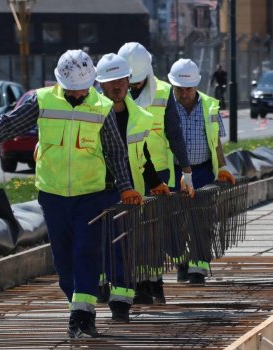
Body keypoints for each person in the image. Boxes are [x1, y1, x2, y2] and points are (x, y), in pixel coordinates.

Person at [0, 49, 143, 338]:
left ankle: (83, 315)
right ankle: (76, 305)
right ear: (61, 83)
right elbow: (7, 124)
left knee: (85, 252)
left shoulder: (102, 107)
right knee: (64, 260)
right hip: (52, 195)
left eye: (82, 89)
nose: (78, 94)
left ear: (90, 83)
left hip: (92, 194)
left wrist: (126, 187)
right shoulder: (41, 100)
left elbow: (115, 152)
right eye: (72, 89)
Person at [95, 53, 171, 322]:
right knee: (102, 245)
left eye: (121, 80)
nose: (117, 86)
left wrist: (156, 183)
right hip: (97, 190)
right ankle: (102, 288)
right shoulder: (90, 113)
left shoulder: (139, 115)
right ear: (100, 85)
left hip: (132, 192)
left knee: (128, 247)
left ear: (129, 81)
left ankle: (122, 303)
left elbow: (144, 154)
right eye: (110, 82)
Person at [117, 42, 194, 304]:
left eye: (137, 82)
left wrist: (186, 171)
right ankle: (136, 283)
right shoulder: (111, 89)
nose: (133, 87)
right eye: (130, 82)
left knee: (152, 234)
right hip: (124, 172)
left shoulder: (163, 92)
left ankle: (153, 284)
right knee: (129, 232)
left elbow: (174, 133)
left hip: (157, 174)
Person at [168, 58, 235, 285]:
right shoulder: (166, 107)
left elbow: (215, 140)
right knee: (176, 221)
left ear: (196, 86)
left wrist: (223, 166)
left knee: (202, 220)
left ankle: (198, 269)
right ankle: (181, 261)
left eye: (188, 89)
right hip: (175, 171)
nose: (184, 94)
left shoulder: (209, 105)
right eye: (179, 89)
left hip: (204, 171)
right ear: (173, 86)